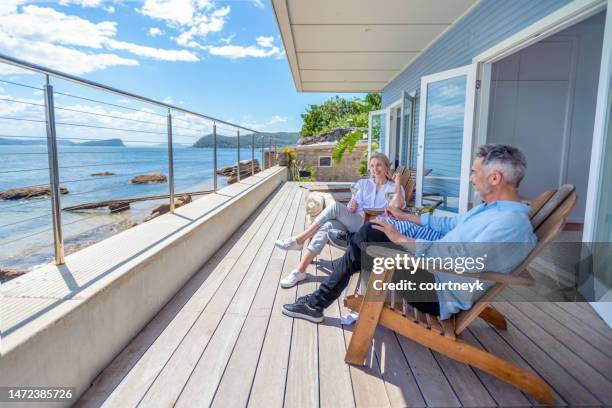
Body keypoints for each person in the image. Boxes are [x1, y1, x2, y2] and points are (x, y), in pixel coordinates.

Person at [282, 144, 537, 323]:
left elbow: (459, 260)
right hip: (433, 271)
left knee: (366, 238)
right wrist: (406, 217)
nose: (470, 179)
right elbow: (450, 226)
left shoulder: (509, 225)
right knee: (371, 232)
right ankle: (318, 299)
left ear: (494, 178)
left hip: (436, 290)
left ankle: (317, 301)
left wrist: (402, 240)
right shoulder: (492, 211)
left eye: (474, 172)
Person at [275, 152, 405, 288]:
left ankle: (299, 240)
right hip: (355, 220)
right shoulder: (363, 183)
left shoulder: (394, 187)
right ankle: (300, 270)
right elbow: (353, 203)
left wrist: (397, 182)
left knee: (336, 207)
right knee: (328, 225)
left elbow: (398, 205)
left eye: (379, 165)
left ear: (386, 167)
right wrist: (351, 204)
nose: (375, 169)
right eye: (372, 165)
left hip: (372, 227)